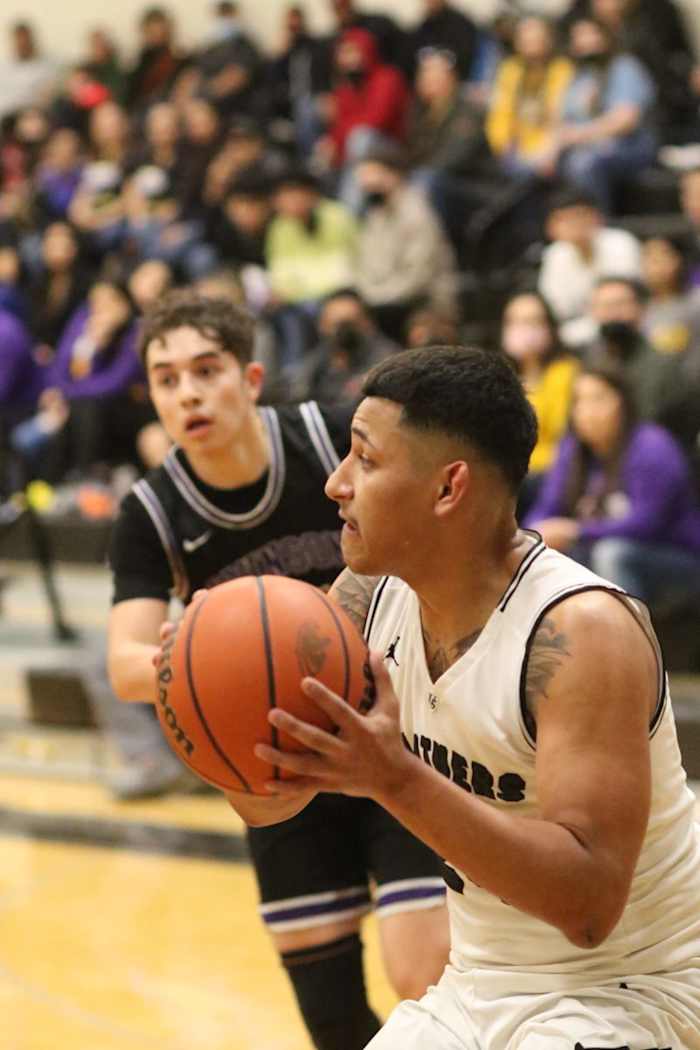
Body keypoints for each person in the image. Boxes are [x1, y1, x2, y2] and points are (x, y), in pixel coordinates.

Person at [246, 344, 700, 1048]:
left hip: (632, 991)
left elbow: (587, 905)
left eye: (365, 461)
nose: (337, 484)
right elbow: (268, 795)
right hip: (477, 987)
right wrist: (215, 701)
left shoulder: (581, 635)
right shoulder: (366, 596)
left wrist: (395, 778)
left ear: (448, 488)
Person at [107, 291, 449, 1050]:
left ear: (251, 377)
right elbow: (126, 665)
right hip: (279, 767)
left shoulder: (329, 439)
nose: (188, 392)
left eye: (206, 370)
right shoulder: (152, 511)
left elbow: (432, 533)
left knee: (422, 976)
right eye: (167, 379)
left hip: (393, 732)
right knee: (330, 1018)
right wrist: (191, 654)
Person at [526, 361, 700, 612]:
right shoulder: (572, 450)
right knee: (541, 555)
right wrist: (534, 536)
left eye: (598, 399)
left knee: (612, 553)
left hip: (675, 557)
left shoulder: (653, 447)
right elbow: (547, 506)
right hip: (597, 546)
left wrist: (575, 531)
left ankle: (629, 645)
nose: (587, 410)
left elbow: (646, 523)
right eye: (579, 401)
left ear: (622, 404)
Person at [500, 290, 579, 513]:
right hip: (512, 471)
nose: (523, 329)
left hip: (551, 470)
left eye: (533, 321)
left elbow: (560, 431)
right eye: (514, 322)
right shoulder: (501, 376)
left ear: (549, 327)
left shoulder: (566, 372)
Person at [537, 186, 642, 347]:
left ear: (597, 217)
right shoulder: (554, 255)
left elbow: (631, 296)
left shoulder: (621, 243)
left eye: (580, 216)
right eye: (566, 219)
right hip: (580, 330)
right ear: (552, 227)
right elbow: (556, 310)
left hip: (626, 322)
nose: (575, 224)